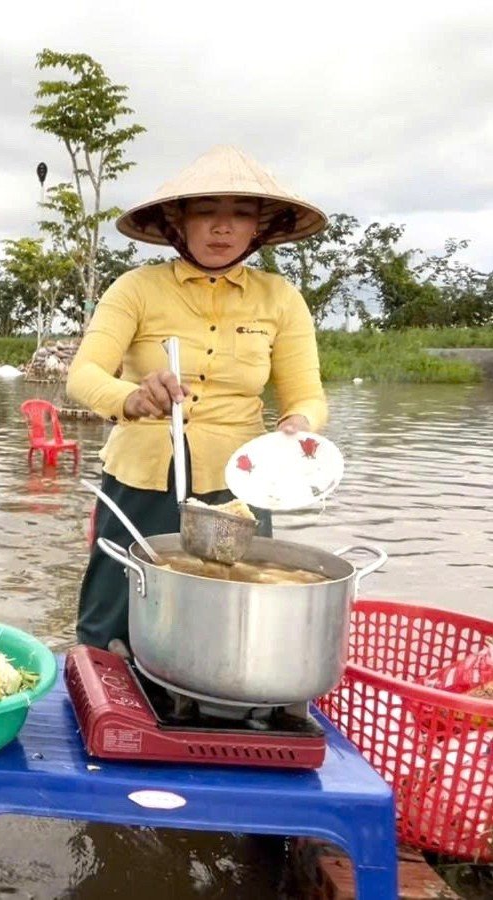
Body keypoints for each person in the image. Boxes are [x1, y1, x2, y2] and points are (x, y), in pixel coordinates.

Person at [66, 145, 329, 652]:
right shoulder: (135, 288)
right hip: (144, 473)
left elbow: (308, 396)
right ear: (179, 222)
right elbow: (84, 375)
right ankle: (98, 687)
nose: (222, 227)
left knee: (230, 621)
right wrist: (133, 398)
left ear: (259, 228)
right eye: (206, 212)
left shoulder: (281, 298)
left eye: (241, 214)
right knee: (112, 612)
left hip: (242, 482)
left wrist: (299, 423)